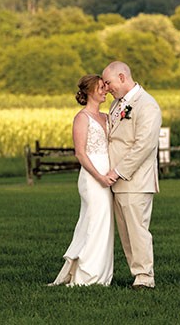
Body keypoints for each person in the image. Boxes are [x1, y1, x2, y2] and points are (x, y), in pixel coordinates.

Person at [101, 60, 162, 289]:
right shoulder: (117, 105)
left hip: (135, 179)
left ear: (122, 77)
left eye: (108, 82)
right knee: (126, 234)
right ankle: (137, 274)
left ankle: (145, 278)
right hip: (116, 181)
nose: (106, 88)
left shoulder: (147, 105)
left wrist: (117, 171)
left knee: (137, 231)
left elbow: (144, 146)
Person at [50, 74, 114, 286]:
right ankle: (87, 275)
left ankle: (101, 274)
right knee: (94, 222)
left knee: (105, 224)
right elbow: (80, 153)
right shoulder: (81, 118)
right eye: (100, 87)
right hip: (92, 176)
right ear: (89, 92)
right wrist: (100, 177)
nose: (105, 90)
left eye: (105, 86)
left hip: (109, 175)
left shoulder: (107, 117)